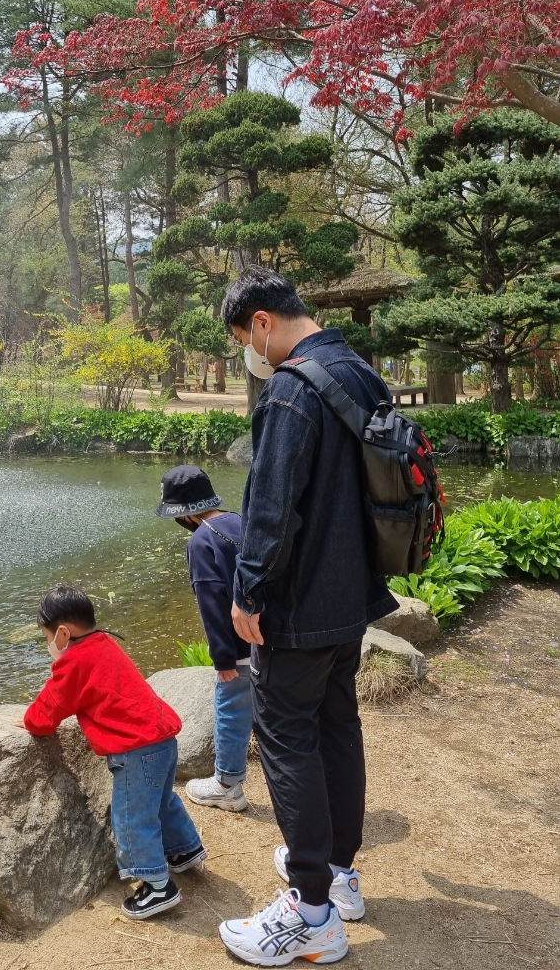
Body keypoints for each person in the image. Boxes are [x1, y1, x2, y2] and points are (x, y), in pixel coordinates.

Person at [215, 266, 399, 968]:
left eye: (242, 337)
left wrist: (247, 591)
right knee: (335, 727)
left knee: (288, 738)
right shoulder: (357, 371)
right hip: (352, 594)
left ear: (262, 323)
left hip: (299, 601)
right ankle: (339, 875)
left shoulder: (291, 390)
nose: (248, 353)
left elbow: (270, 505)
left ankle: (312, 911)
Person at [19, 585, 207, 920]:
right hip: (162, 739)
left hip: (136, 749)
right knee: (162, 803)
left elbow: (50, 708)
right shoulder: (103, 643)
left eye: (46, 637)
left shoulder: (75, 661)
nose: (48, 645)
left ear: (62, 633)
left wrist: (30, 721)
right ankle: (185, 850)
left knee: (132, 816)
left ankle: (157, 887)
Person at [155, 464, 252, 812]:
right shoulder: (244, 520)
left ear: (185, 514)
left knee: (231, 711)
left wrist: (223, 658)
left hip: (239, 646)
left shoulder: (202, 540)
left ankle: (227, 784)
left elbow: (212, 603)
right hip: (271, 636)